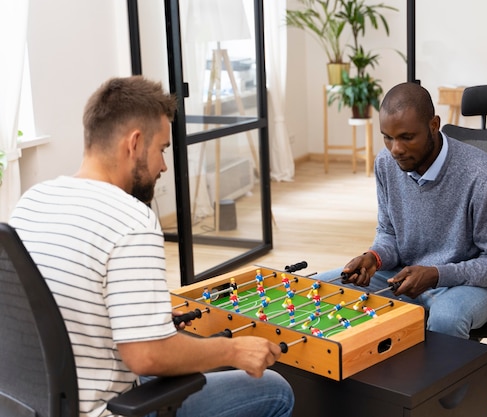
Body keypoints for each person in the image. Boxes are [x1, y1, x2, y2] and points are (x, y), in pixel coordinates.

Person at [9, 76, 294, 417]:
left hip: (32, 406)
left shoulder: (32, 200)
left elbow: (52, 306)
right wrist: (233, 351)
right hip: (105, 409)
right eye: (161, 149)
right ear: (134, 143)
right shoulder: (130, 221)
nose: (163, 166)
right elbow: (145, 356)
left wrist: (146, 318)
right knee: (275, 390)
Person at [314, 82, 487, 339]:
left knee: (447, 318)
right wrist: (374, 258)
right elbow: (388, 233)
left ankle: (445, 380)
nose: (395, 149)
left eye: (406, 137)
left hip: (470, 285)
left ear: (434, 125)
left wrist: (436, 275)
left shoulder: (484, 175)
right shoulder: (386, 163)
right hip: (405, 277)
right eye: (387, 137)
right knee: (323, 288)